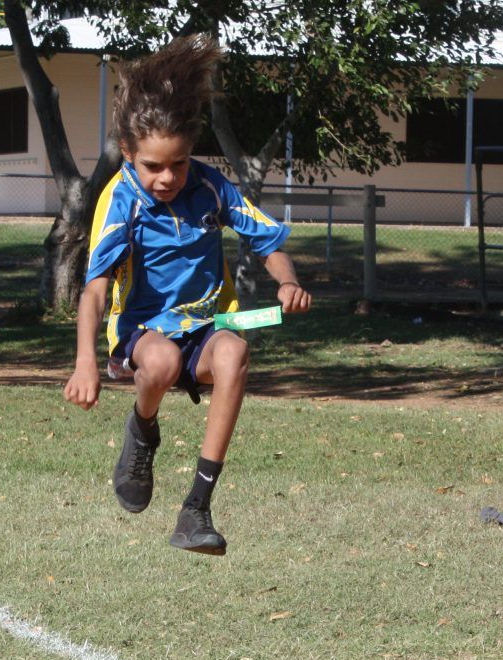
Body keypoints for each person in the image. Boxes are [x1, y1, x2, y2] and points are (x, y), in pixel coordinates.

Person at [64, 35, 311, 556]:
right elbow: (95, 289)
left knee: (236, 351)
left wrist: (286, 281)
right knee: (160, 361)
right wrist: (86, 361)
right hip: (144, 330)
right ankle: (142, 431)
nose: (167, 177)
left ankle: (196, 507)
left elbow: (268, 241)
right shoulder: (121, 199)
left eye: (177, 163)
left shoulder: (211, 186)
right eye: (153, 166)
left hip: (208, 326)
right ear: (128, 154)